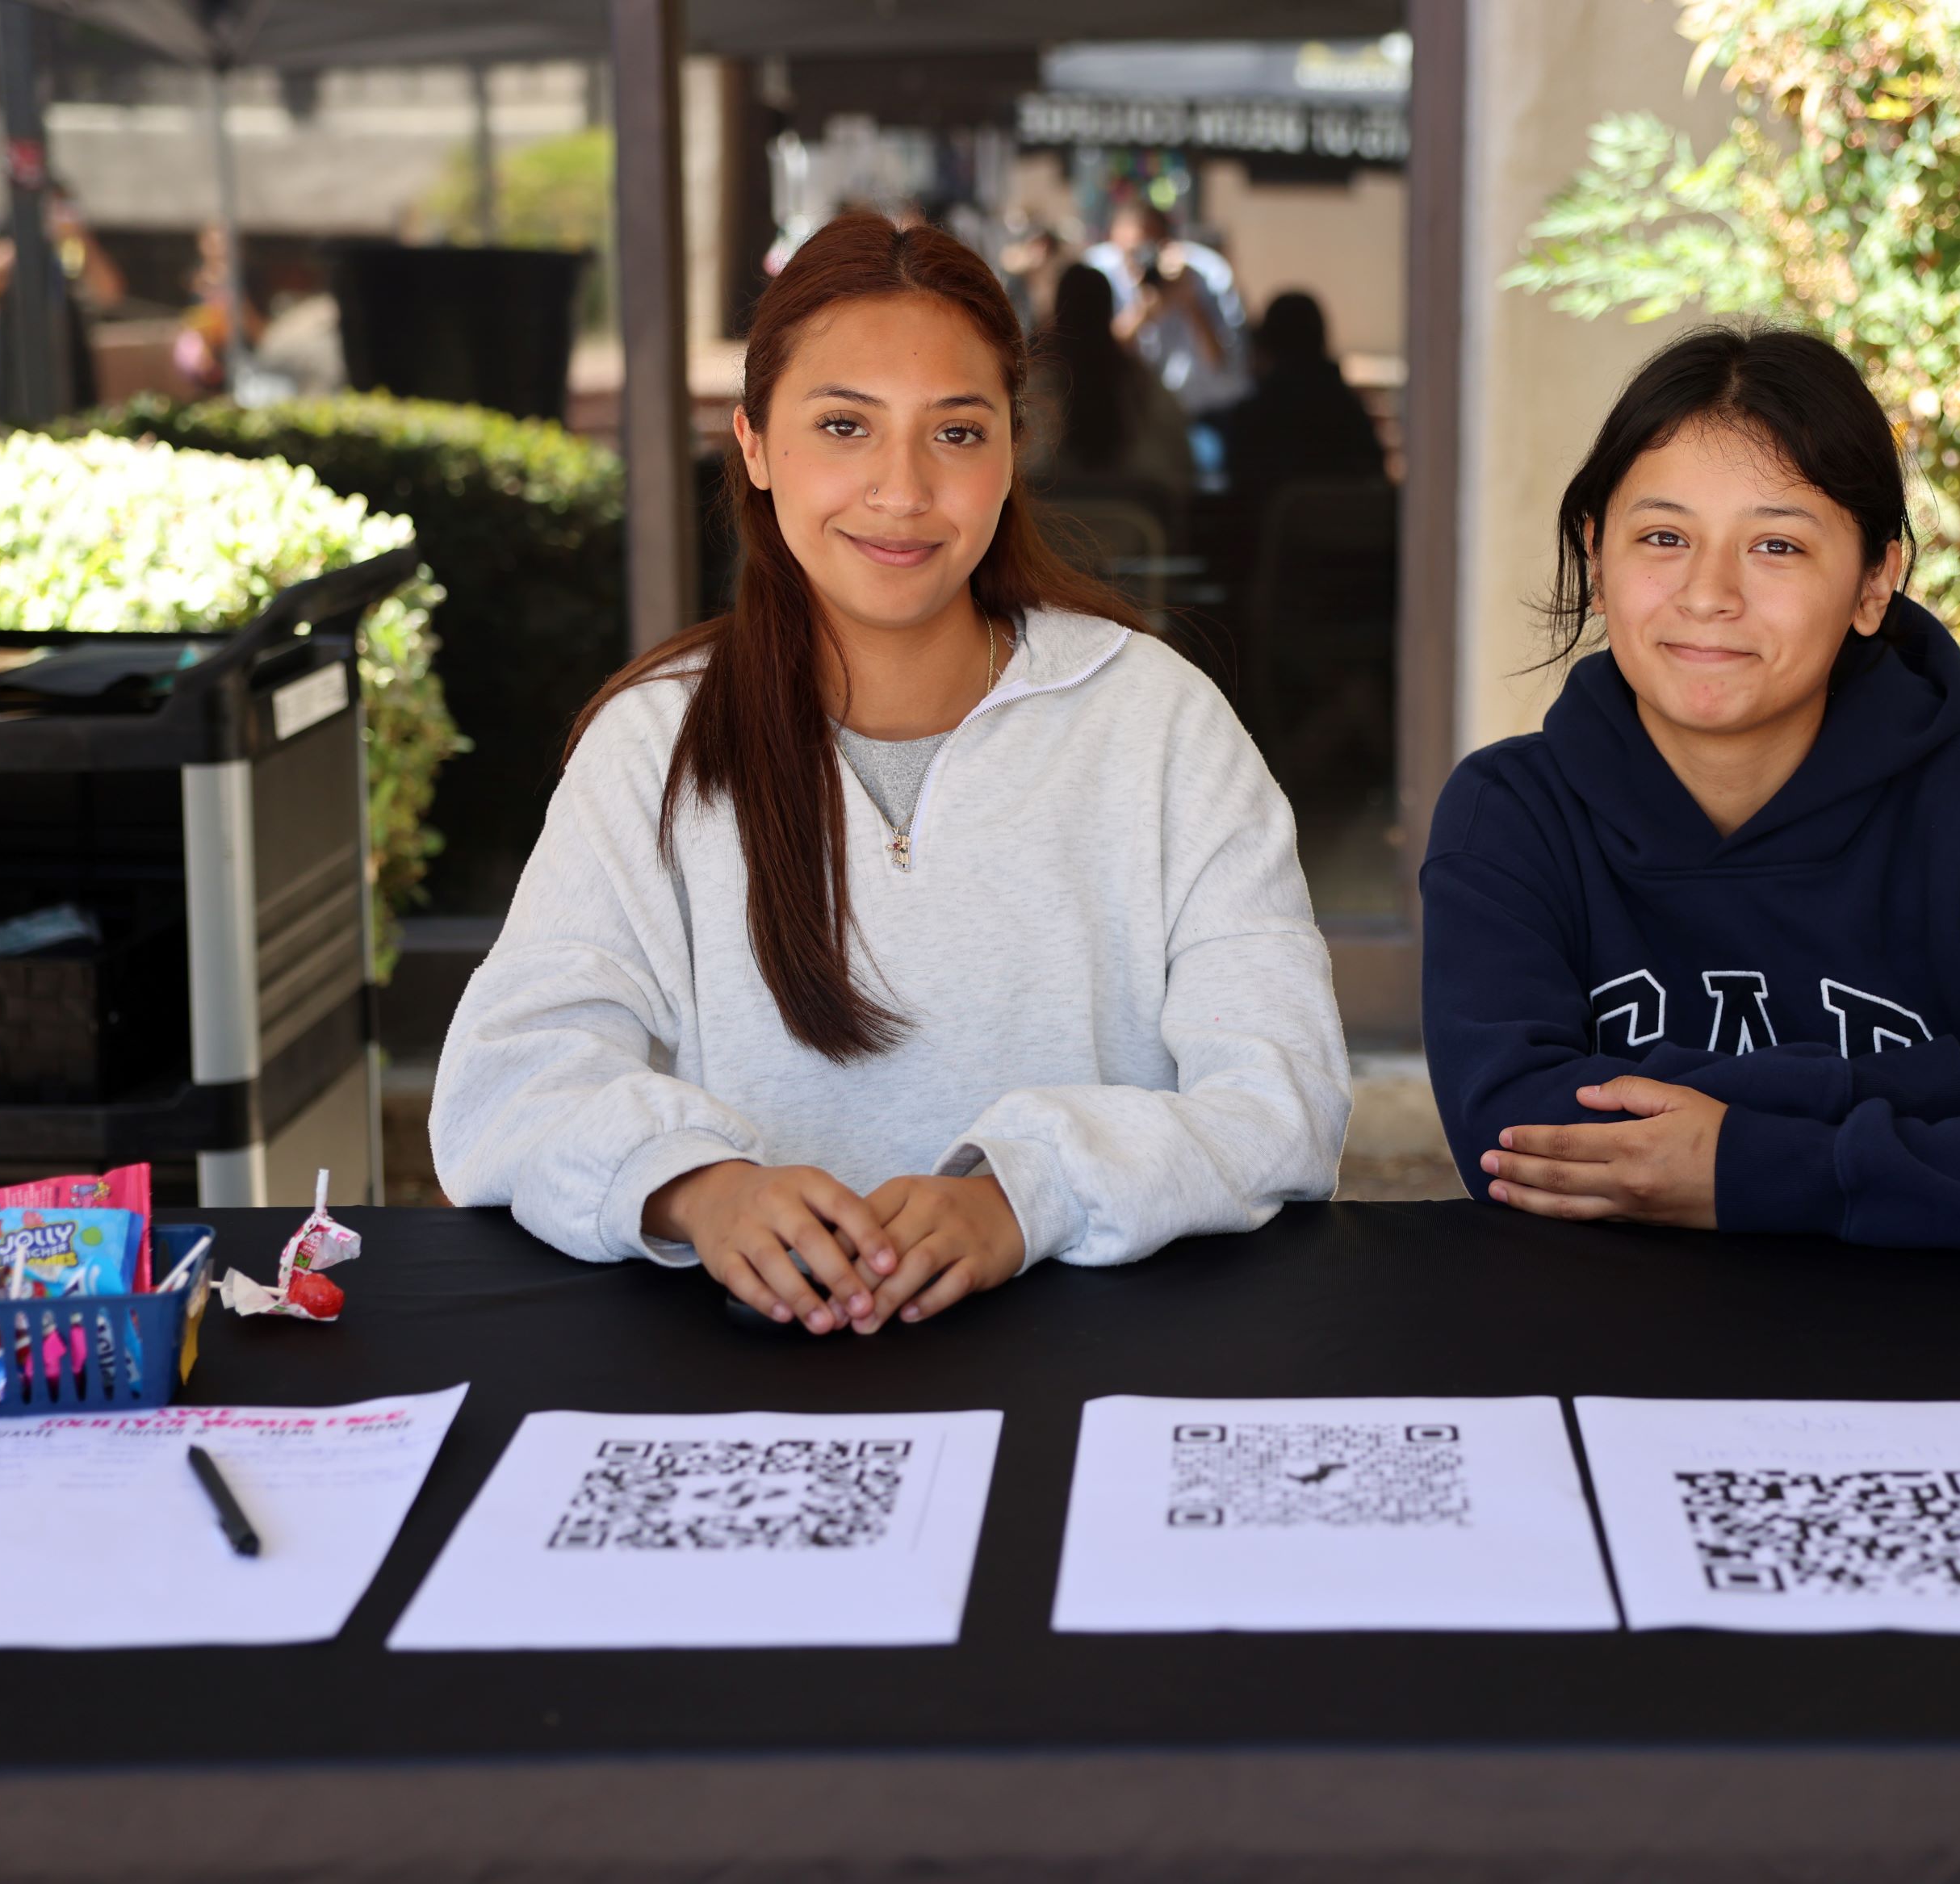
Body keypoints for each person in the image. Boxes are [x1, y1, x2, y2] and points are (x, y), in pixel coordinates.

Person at [431, 211, 1349, 1335]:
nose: (903, 490)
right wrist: (695, 1187)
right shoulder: (654, 743)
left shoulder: (1159, 722)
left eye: (956, 434)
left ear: (1014, 449)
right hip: (748, 1386)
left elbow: (1282, 1097)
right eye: (843, 426)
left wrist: (1027, 1194)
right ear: (756, 447)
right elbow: (505, 1082)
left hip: (1096, 1364)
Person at [1422, 325, 1960, 1249]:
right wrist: (1956, 1089)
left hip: (1934, 1374)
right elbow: (1512, 1138)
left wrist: (1749, 1171)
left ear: (1874, 583)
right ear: (1595, 559)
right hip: (1610, 1366)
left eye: (1775, 547)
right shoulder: (1510, 815)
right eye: (1662, 536)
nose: (1708, 594)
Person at [1024, 262, 1196, 502]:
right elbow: (1180, 462)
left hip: (1055, 528)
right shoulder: (1139, 383)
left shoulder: (1036, 386)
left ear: (1056, 310)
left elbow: (1025, 470)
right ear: (1109, 310)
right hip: (1133, 530)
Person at [1217, 291, 1385, 512]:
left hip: (1276, 545)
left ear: (1267, 346)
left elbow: (1238, 490)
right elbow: (1375, 474)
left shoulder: (1253, 416)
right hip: (1352, 545)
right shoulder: (1348, 411)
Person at [1083, 201, 1248, 419]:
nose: (1139, 263)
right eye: (1130, 252)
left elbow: (1227, 364)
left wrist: (1190, 302)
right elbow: (1092, 356)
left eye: (1147, 251)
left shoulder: (1206, 273)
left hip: (1198, 414)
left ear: (1167, 243)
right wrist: (1141, 313)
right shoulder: (1097, 272)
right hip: (1123, 416)